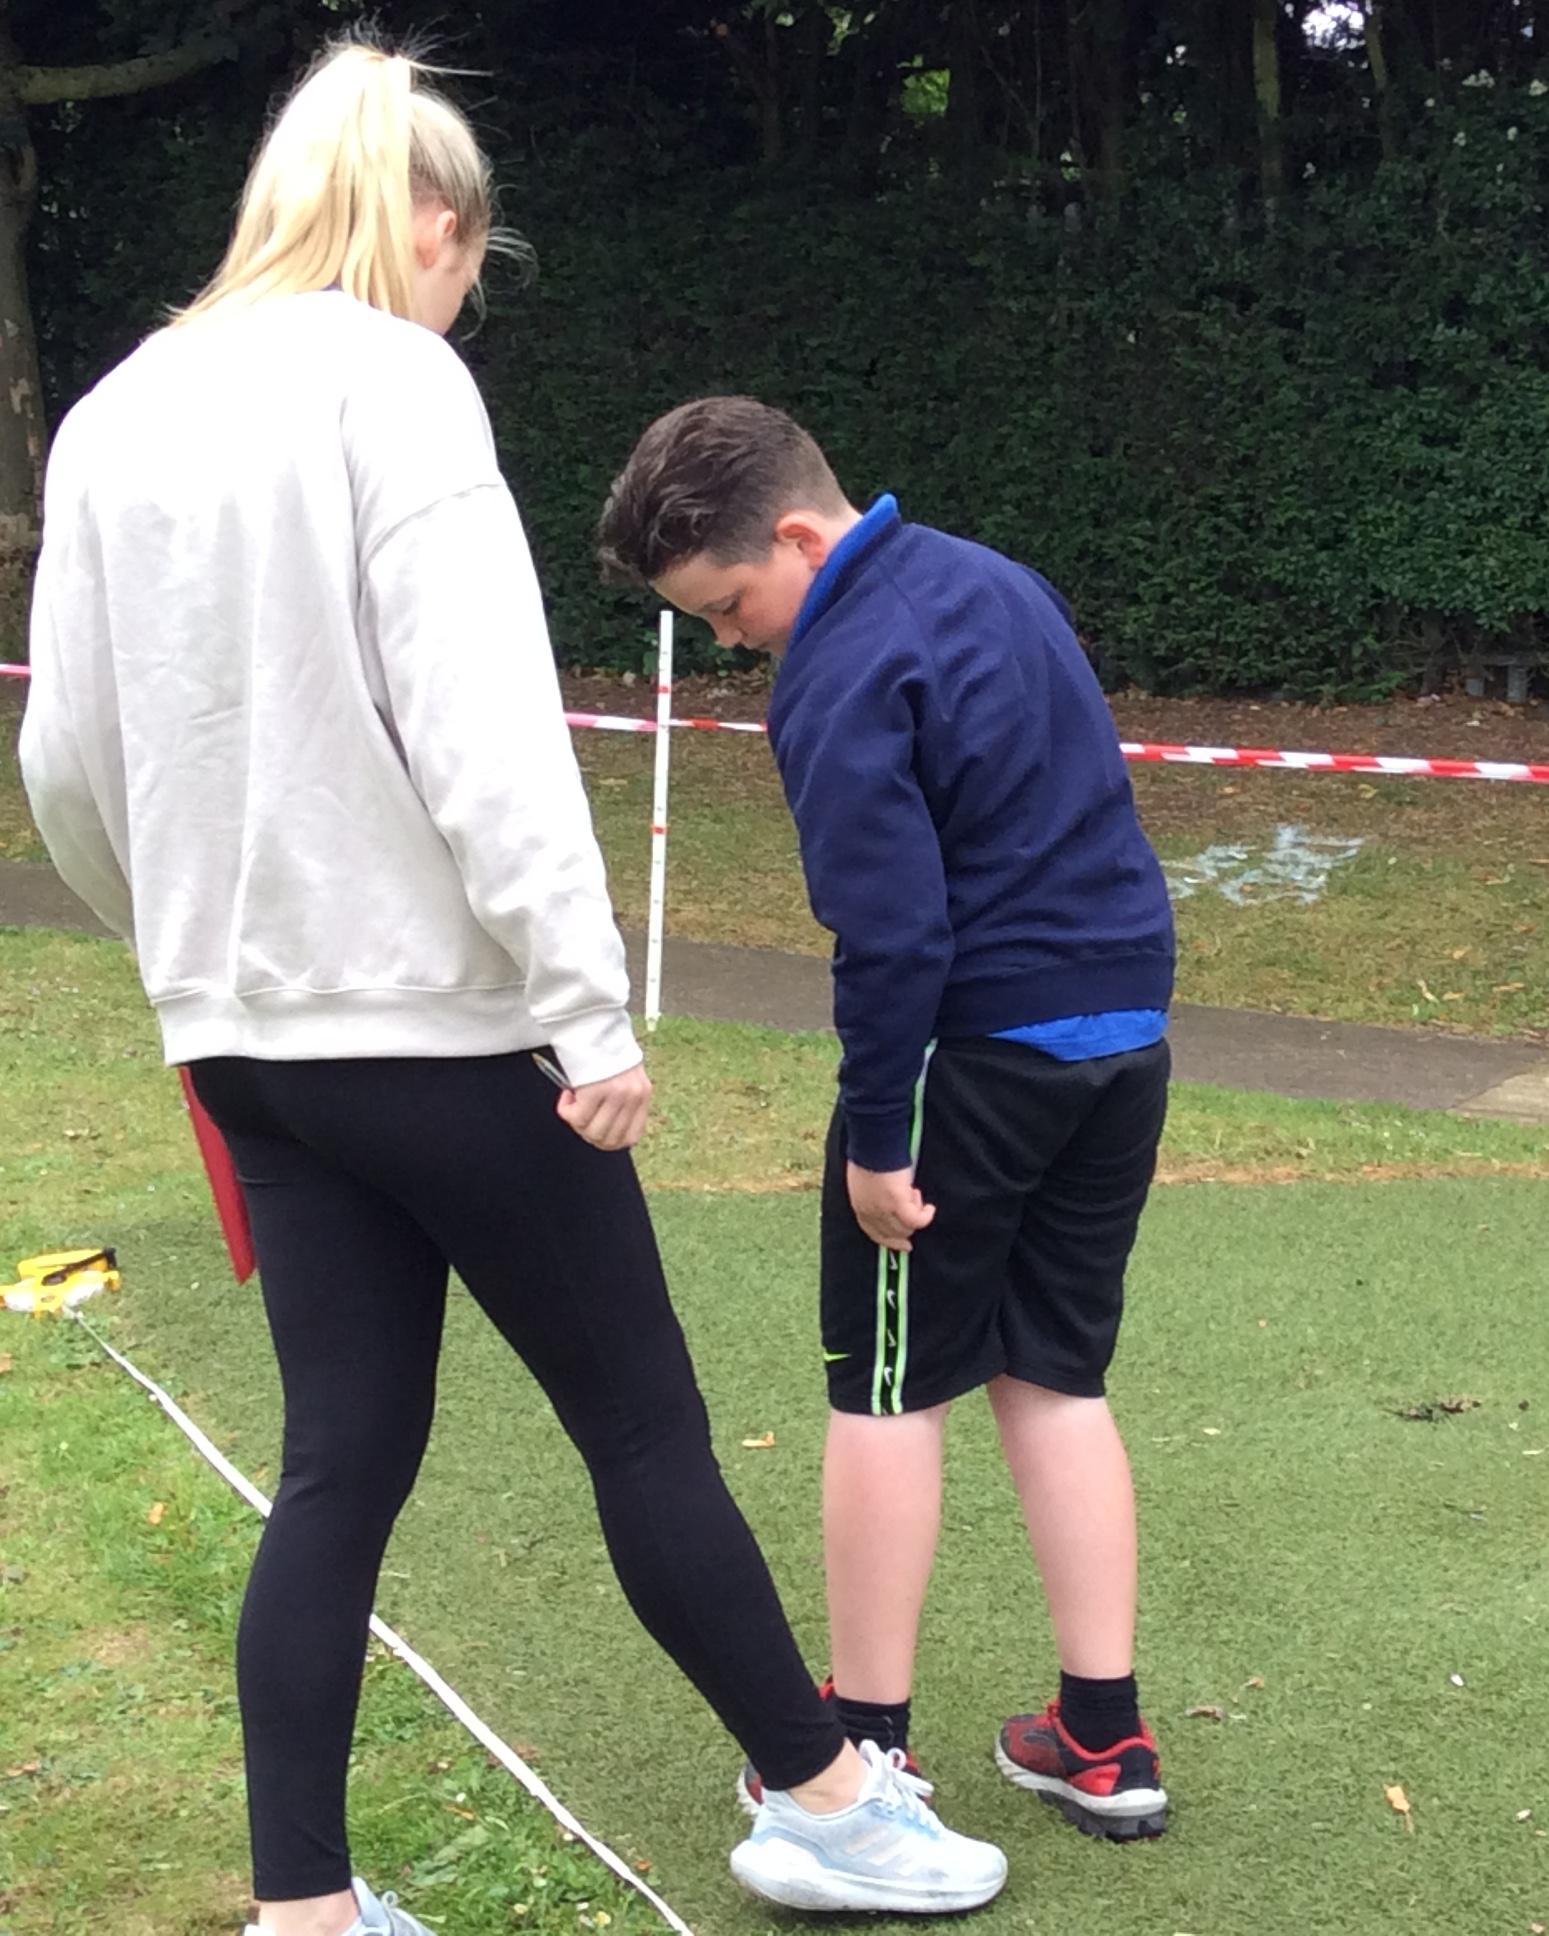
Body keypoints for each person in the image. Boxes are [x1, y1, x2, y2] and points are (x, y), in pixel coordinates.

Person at [20, 44, 1004, 1933]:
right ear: (435, 226)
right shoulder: (397, 382)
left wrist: (185, 952)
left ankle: (306, 1912)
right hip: (446, 1033)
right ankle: (824, 1801)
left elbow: (65, 761)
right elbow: (485, 728)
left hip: (247, 1046)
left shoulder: (113, 414)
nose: (463, 299)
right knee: (641, 1427)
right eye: (472, 265)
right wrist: (588, 1003)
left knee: (338, 1470)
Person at [598, 397, 1177, 1846]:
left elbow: (891, 930)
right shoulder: (1000, 581)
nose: (731, 640)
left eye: (729, 605)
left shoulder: (841, 666)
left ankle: (866, 1739)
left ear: (801, 537)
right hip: (1123, 1038)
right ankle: (1101, 1736)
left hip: (971, 1056)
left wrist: (875, 1136)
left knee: (884, 1388)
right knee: (1056, 1374)